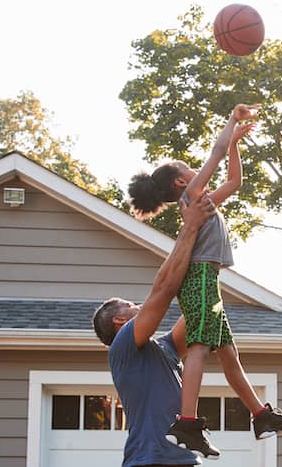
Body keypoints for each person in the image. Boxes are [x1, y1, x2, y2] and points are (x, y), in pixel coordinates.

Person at [126, 103, 282, 458]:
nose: (196, 169)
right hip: (200, 277)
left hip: (209, 280)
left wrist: (235, 142)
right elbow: (216, 154)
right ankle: (187, 421)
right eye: (190, 168)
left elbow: (234, 182)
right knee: (200, 348)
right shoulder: (191, 197)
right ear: (181, 181)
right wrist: (231, 121)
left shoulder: (203, 203)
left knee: (229, 355)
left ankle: (261, 416)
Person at [93, 194, 215, 467]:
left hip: (184, 459)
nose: (139, 305)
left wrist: (207, 253)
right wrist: (190, 227)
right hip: (149, 460)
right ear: (120, 322)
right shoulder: (123, 345)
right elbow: (163, 289)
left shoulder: (165, 348)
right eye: (130, 304)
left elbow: (201, 312)